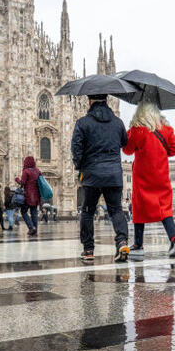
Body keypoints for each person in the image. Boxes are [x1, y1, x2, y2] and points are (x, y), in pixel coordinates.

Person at [71, 94, 130, 262]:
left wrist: (80, 166)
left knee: (88, 211)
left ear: (89, 101)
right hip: (113, 174)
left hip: (92, 174)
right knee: (116, 210)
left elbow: (76, 147)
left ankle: (88, 250)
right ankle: (122, 242)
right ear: (106, 100)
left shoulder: (82, 123)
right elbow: (124, 142)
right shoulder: (118, 123)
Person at [122, 102, 175, 258]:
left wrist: (131, 130)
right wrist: (161, 152)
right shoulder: (165, 129)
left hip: (142, 176)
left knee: (139, 207)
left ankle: (138, 245)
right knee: (164, 209)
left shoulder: (137, 130)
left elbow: (127, 150)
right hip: (161, 175)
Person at [15, 157, 41, 236]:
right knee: (34, 213)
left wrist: (17, 179)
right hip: (36, 195)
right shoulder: (37, 171)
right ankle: (35, 230)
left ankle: (31, 227)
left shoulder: (26, 171)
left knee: (23, 211)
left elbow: (22, 183)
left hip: (28, 196)